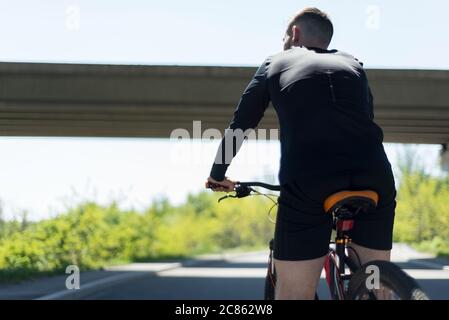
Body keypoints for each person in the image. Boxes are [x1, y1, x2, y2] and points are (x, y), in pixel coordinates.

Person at [205, 7, 396, 300]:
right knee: (376, 286)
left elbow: (241, 125)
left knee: (294, 293)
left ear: (294, 34)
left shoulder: (275, 61)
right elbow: (365, 117)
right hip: (375, 174)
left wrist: (217, 174)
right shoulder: (354, 63)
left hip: (310, 178)